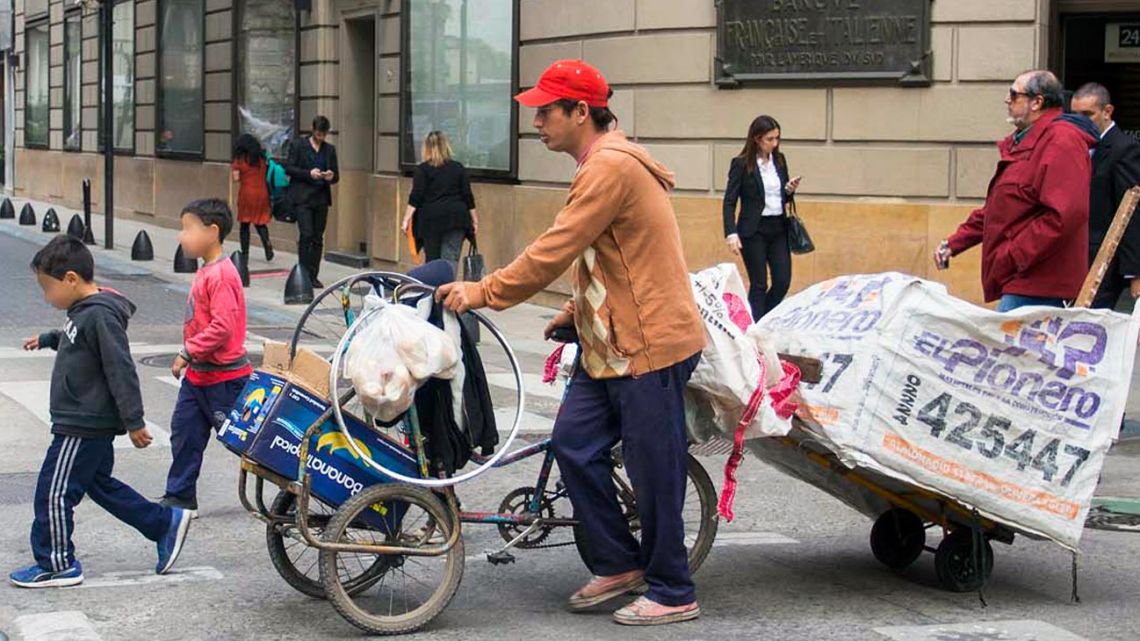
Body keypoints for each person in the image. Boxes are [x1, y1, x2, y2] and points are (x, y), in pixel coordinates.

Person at [435, 59, 706, 626]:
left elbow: (555, 248)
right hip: (610, 343)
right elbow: (603, 256)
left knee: (653, 468)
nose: (536, 122)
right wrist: (572, 312)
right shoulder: (598, 163)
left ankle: (674, 590)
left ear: (581, 111)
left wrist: (483, 291)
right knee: (574, 443)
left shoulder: (609, 167)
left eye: (545, 110)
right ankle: (618, 563)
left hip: (649, 344)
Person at [9, 236, 192, 588]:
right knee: (99, 484)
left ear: (72, 279)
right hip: (82, 419)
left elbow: (120, 369)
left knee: (54, 491)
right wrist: (49, 338)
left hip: (83, 423)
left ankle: (57, 562)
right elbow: (75, 337)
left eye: (48, 289)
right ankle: (162, 523)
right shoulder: (83, 313)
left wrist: (134, 421)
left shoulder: (101, 316)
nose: (48, 298)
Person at [934, 70, 1097, 312]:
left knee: (1002, 348)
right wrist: (955, 243)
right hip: (1022, 280)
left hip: (1040, 285)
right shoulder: (1026, 141)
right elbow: (1000, 209)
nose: (1007, 100)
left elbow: (1064, 215)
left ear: (1037, 102)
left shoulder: (1061, 140)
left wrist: (1013, 256)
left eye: (1014, 95)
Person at [162, 199, 253, 517]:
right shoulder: (207, 270)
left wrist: (188, 351)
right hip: (199, 376)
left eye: (187, 228)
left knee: (245, 441)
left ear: (212, 232)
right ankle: (180, 496)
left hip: (225, 380)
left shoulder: (223, 275)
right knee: (184, 433)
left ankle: (292, 485)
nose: (180, 236)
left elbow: (223, 327)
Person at [722, 115, 802, 319]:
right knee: (759, 284)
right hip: (753, 230)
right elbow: (729, 201)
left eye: (777, 139)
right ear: (757, 139)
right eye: (770, 139)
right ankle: (754, 332)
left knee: (782, 281)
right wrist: (731, 233)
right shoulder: (741, 164)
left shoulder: (780, 160)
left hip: (778, 227)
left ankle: (757, 322)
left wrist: (789, 190)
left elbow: (782, 196)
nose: (774, 144)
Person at [1070, 83, 1140, 309]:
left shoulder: (1124, 148)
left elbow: (1131, 209)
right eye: (1075, 115)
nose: (1081, 121)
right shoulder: (1076, 146)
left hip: (1105, 261)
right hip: (1078, 257)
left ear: (1107, 111)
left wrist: (1135, 272)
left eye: (1087, 114)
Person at [401, 131, 479, 270]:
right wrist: (474, 219)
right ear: (446, 146)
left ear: (426, 148)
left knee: (433, 261)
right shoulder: (458, 168)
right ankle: (449, 290)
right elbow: (467, 195)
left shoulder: (422, 170)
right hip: (456, 218)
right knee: (451, 259)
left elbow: (416, 197)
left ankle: (436, 290)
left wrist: (406, 219)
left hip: (431, 220)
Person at [284, 115, 339, 289]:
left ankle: (314, 274)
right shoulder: (299, 145)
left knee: (317, 237)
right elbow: (290, 168)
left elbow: (336, 175)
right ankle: (303, 272)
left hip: (321, 198)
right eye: (318, 133)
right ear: (313, 130)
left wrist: (330, 176)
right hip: (303, 198)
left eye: (324, 134)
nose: (321, 137)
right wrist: (309, 173)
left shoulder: (329, 150)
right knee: (306, 234)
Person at [231, 133, 275, 264]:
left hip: (247, 194)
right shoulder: (261, 159)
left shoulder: (240, 160)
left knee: (245, 224)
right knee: (260, 221)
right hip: (262, 193)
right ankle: (267, 243)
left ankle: (245, 254)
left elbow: (236, 178)